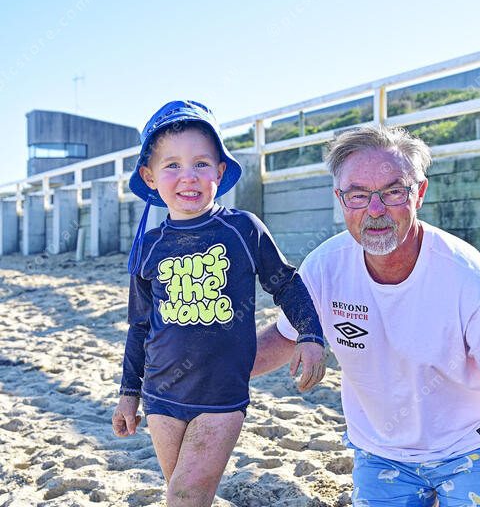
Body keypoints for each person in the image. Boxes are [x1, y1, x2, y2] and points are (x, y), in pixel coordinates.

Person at [252, 125, 480, 506]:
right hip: (381, 453)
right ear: (340, 199)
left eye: (393, 192)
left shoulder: (468, 277)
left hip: (473, 445)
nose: (375, 210)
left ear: (420, 193)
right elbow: (284, 338)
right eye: (358, 195)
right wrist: (204, 370)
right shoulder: (325, 267)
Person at [111, 100, 325, 507]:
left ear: (220, 171)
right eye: (172, 165)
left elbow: (286, 283)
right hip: (160, 395)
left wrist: (310, 335)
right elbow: (139, 326)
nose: (188, 176)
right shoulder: (148, 247)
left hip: (221, 395)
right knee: (186, 493)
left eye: (201, 164)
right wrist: (128, 393)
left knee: (186, 493)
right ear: (149, 176)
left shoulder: (242, 229)